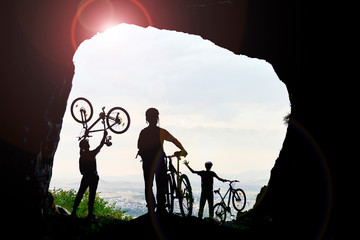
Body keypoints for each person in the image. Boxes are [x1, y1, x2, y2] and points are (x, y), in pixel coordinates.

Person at [137, 108, 187, 213]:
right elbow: (174, 140)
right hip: (159, 162)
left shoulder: (143, 132)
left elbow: (139, 146)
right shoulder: (161, 132)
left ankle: (151, 206)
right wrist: (182, 150)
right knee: (161, 184)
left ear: (147, 118)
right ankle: (161, 207)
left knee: (148, 185)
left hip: (147, 162)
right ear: (157, 118)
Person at [71, 130, 108, 218]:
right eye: (87, 143)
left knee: (80, 193)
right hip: (93, 177)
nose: (89, 143)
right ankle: (90, 214)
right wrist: (104, 135)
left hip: (85, 177)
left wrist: (85, 136)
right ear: (88, 146)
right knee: (92, 195)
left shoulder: (82, 154)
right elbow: (101, 145)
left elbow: (82, 145)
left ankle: (74, 212)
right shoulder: (92, 154)